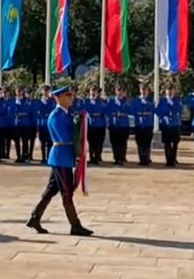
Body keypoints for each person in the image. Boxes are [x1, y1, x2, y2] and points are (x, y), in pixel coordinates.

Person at [26, 86, 93, 236]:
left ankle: (35, 218)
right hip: (61, 158)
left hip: (63, 158)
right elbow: (65, 138)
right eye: (67, 95)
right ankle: (75, 225)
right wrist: (80, 143)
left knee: (51, 191)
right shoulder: (56, 116)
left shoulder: (66, 114)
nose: (71, 98)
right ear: (58, 98)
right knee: (67, 192)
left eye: (71, 95)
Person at [156, 86, 183, 167]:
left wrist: (173, 104)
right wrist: (162, 117)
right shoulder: (163, 100)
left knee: (175, 143)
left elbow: (180, 109)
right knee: (167, 143)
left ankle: (173, 159)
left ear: (174, 91)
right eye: (168, 90)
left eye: (172, 90)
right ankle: (168, 160)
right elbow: (157, 111)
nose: (170, 92)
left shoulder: (177, 100)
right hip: (166, 124)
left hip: (175, 123)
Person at [108, 86, 133, 166]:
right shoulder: (111, 101)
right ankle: (116, 158)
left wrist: (124, 105)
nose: (120, 92)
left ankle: (122, 157)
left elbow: (131, 111)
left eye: (122, 91)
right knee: (115, 142)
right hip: (114, 124)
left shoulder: (127, 102)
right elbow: (106, 111)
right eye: (118, 90)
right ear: (116, 91)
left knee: (123, 142)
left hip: (124, 125)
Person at [132, 85, 155, 166]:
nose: (144, 91)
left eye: (145, 90)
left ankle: (147, 158)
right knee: (140, 143)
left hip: (148, 124)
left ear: (148, 91)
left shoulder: (151, 100)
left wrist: (148, 104)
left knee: (147, 143)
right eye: (142, 90)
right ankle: (142, 159)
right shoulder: (136, 101)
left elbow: (153, 111)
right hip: (139, 124)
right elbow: (133, 111)